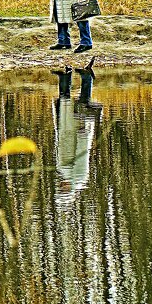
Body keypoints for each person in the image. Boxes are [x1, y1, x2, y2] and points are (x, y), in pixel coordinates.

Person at [52, 59, 101, 205]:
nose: (60, 186)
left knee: (68, 103)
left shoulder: (65, 174)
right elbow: (82, 155)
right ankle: (86, 75)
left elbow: (59, 148)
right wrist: (83, 133)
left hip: (67, 131)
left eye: (60, 189)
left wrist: (58, 126)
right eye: (62, 190)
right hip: (77, 132)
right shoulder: (78, 178)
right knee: (83, 103)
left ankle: (66, 76)